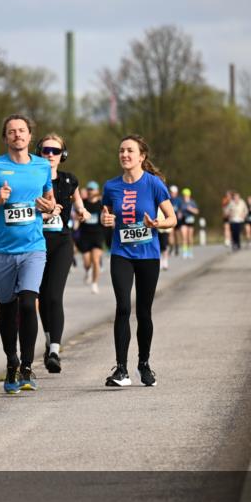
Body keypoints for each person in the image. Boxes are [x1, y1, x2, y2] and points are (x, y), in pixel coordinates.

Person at [0, 115, 56, 393]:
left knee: (28, 301)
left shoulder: (43, 166)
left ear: (30, 136)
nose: (17, 135)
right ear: (5, 137)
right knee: (7, 306)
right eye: (11, 132)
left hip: (33, 247)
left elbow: (50, 200)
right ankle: (12, 362)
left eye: (22, 131)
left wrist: (48, 207)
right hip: (2, 251)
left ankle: (28, 367)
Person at [100, 135, 176, 387]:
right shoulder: (111, 187)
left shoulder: (153, 184)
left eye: (130, 151)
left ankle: (144, 364)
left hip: (148, 255)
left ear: (141, 157)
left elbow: (172, 218)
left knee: (144, 312)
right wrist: (106, 221)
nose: (124, 155)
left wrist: (157, 223)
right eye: (121, 150)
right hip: (121, 253)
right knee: (123, 307)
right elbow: (107, 216)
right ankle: (121, 369)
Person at [35, 133, 88, 374]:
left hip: (61, 243)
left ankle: (54, 350)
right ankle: (49, 340)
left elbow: (78, 203)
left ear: (62, 155)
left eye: (55, 151)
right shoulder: (33, 178)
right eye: (46, 150)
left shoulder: (69, 180)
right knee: (41, 298)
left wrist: (82, 212)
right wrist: (44, 214)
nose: (50, 155)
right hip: (35, 242)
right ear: (39, 152)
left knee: (54, 296)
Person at [77, 181, 106, 293]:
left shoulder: (101, 205)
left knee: (95, 260)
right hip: (85, 235)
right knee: (87, 262)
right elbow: (77, 216)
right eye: (88, 189)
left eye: (92, 189)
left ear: (97, 191)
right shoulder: (83, 204)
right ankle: (88, 271)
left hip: (98, 235)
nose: (90, 191)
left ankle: (94, 283)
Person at [178, 188, 199, 258]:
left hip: (190, 221)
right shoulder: (181, 202)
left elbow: (197, 211)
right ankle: (185, 252)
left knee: (190, 237)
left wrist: (191, 209)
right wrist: (179, 214)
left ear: (189, 195)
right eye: (184, 195)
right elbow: (179, 211)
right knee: (184, 237)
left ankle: (190, 251)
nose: (185, 196)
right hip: (183, 221)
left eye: (186, 195)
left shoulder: (192, 202)